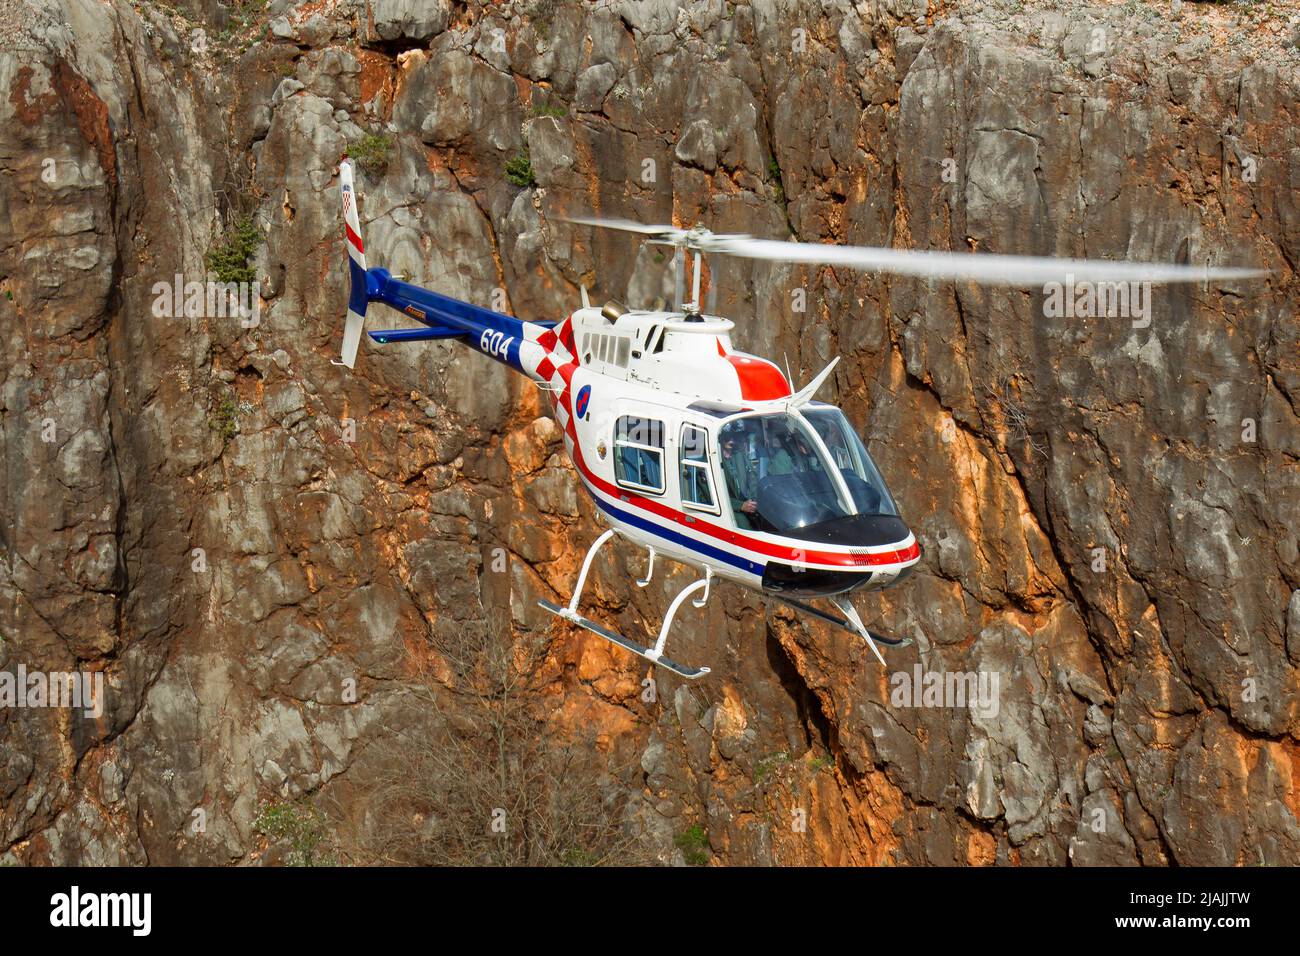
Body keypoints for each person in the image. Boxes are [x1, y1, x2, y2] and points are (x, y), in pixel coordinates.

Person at [719, 431, 759, 528]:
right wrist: (740, 506)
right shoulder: (715, 458)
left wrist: (753, 499)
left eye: (733, 437)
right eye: (727, 437)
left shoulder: (739, 456)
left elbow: (752, 478)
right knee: (743, 523)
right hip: (729, 507)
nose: (731, 440)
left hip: (748, 502)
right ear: (721, 439)